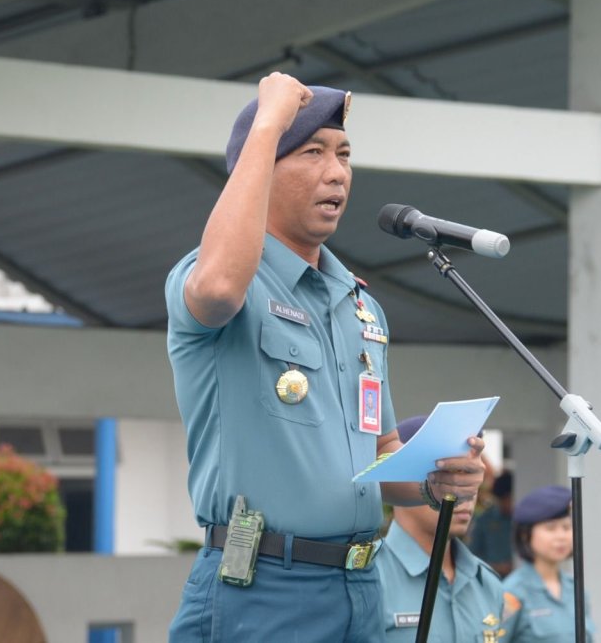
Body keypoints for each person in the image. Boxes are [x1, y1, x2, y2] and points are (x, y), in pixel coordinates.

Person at [164, 73, 485, 641]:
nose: (337, 172)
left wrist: (436, 479)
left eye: (344, 154)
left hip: (359, 587)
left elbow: (380, 453)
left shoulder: (360, 307)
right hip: (262, 586)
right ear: (259, 170)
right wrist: (268, 123)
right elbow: (216, 290)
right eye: (312, 152)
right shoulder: (220, 281)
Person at [376, 416, 518, 642]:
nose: (466, 494)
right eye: (447, 479)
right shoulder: (369, 576)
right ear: (401, 482)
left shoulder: (486, 583)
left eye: (469, 478)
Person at [503, 485, 595, 642]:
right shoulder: (512, 592)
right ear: (525, 534)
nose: (561, 536)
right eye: (550, 528)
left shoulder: (576, 589)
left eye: (566, 527)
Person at [470, 470, 515, 577]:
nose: (508, 504)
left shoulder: (522, 520)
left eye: (510, 498)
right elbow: (472, 555)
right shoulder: (484, 520)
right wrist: (496, 567)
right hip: (492, 577)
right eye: (504, 499)